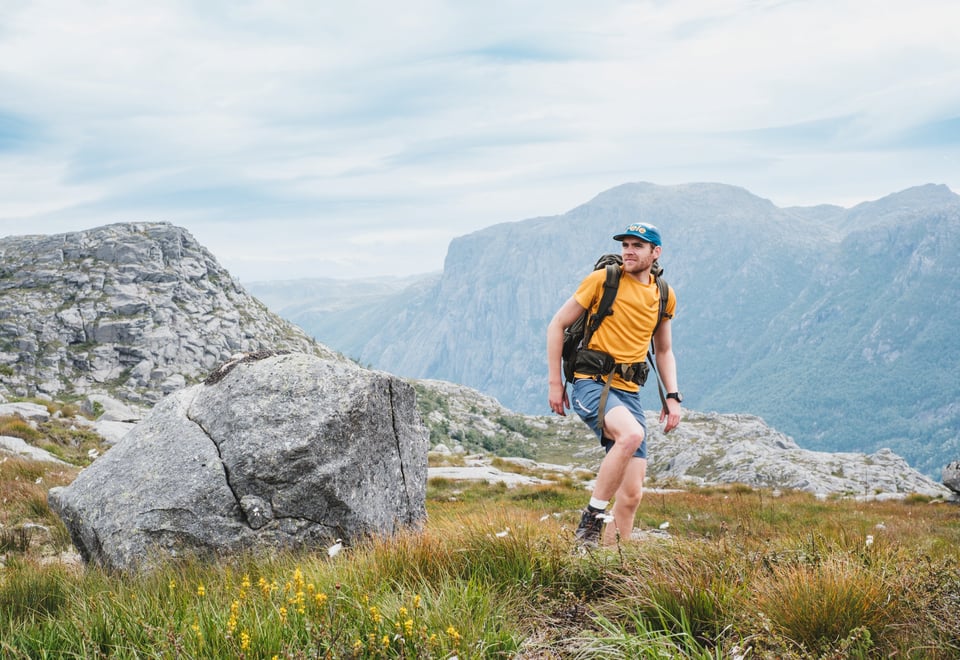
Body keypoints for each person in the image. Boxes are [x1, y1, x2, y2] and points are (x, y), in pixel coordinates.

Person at [546, 222, 682, 547]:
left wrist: (673, 396)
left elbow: (663, 350)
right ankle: (591, 520)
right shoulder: (603, 281)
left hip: (629, 391)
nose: (629, 251)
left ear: (655, 252)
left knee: (632, 494)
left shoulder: (663, 294)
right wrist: (555, 383)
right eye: (625, 245)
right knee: (631, 434)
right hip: (591, 382)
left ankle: (607, 565)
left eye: (638, 245)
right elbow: (558, 324)